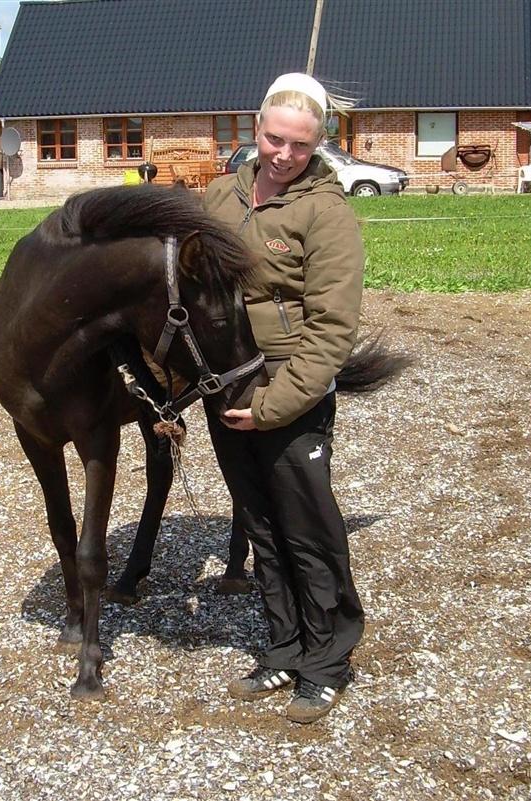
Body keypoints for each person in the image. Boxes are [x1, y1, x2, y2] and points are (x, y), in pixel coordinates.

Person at [203, 73, 365, 724]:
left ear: (318, 143)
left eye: (301, 145)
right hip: (227, 382)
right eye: (275, 139)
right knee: (261, 524)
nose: (284, 155)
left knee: (308, 530)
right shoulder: (221, 194)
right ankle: (283, 646)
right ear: (256, 127)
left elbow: (332, 330)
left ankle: (326, 663)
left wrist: (273, 405)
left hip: (291, 388)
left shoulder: (326, 213)